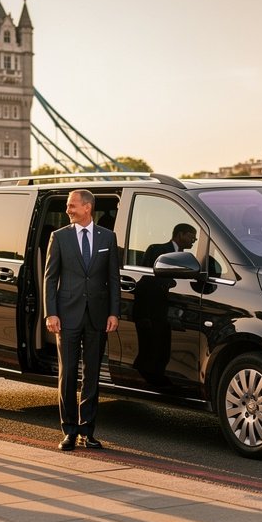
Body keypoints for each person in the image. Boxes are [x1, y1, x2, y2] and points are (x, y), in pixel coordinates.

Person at [43, 189, 119, 451]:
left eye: (72, 205)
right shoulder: (59, 237)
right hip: (66, 316)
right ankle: (69, 431)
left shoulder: (107, 237)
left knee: (92, 374)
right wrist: (51, 313)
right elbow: (50, 278)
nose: (68, 210)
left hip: (98, 316)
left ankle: (88, 431)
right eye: (68, 206)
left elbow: (113, 279)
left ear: (88, 207)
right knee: (67, 374)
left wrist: (114, 312)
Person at [133, 224, 197, 387]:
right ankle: (144, 380)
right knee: (150, 349)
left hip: (170, 312)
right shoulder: (156, 250)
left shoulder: (187, 258)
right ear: (180, 234)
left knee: (164, 349)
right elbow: (145, 280)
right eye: (191, 236)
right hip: (152, 310)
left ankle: (158, 380)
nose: (194, 240)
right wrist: (143, 315)